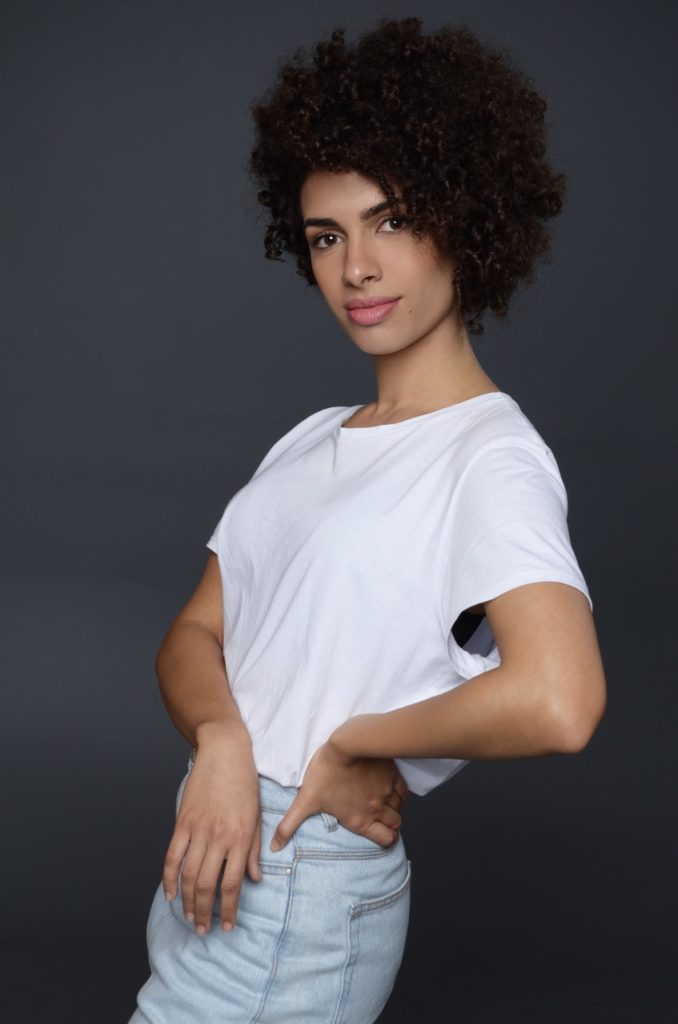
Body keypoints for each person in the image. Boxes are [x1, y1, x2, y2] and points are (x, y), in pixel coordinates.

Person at [128, 16, 607, 1023]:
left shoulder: (489, 456)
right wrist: (220, 739)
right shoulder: (312, 439)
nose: (355, 268)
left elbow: (560, 697)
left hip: (297, 885)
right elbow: (195, 633)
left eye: (391, 221)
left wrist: (355, 745)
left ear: (466, 219)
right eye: (326, 236)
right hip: (215, 849)